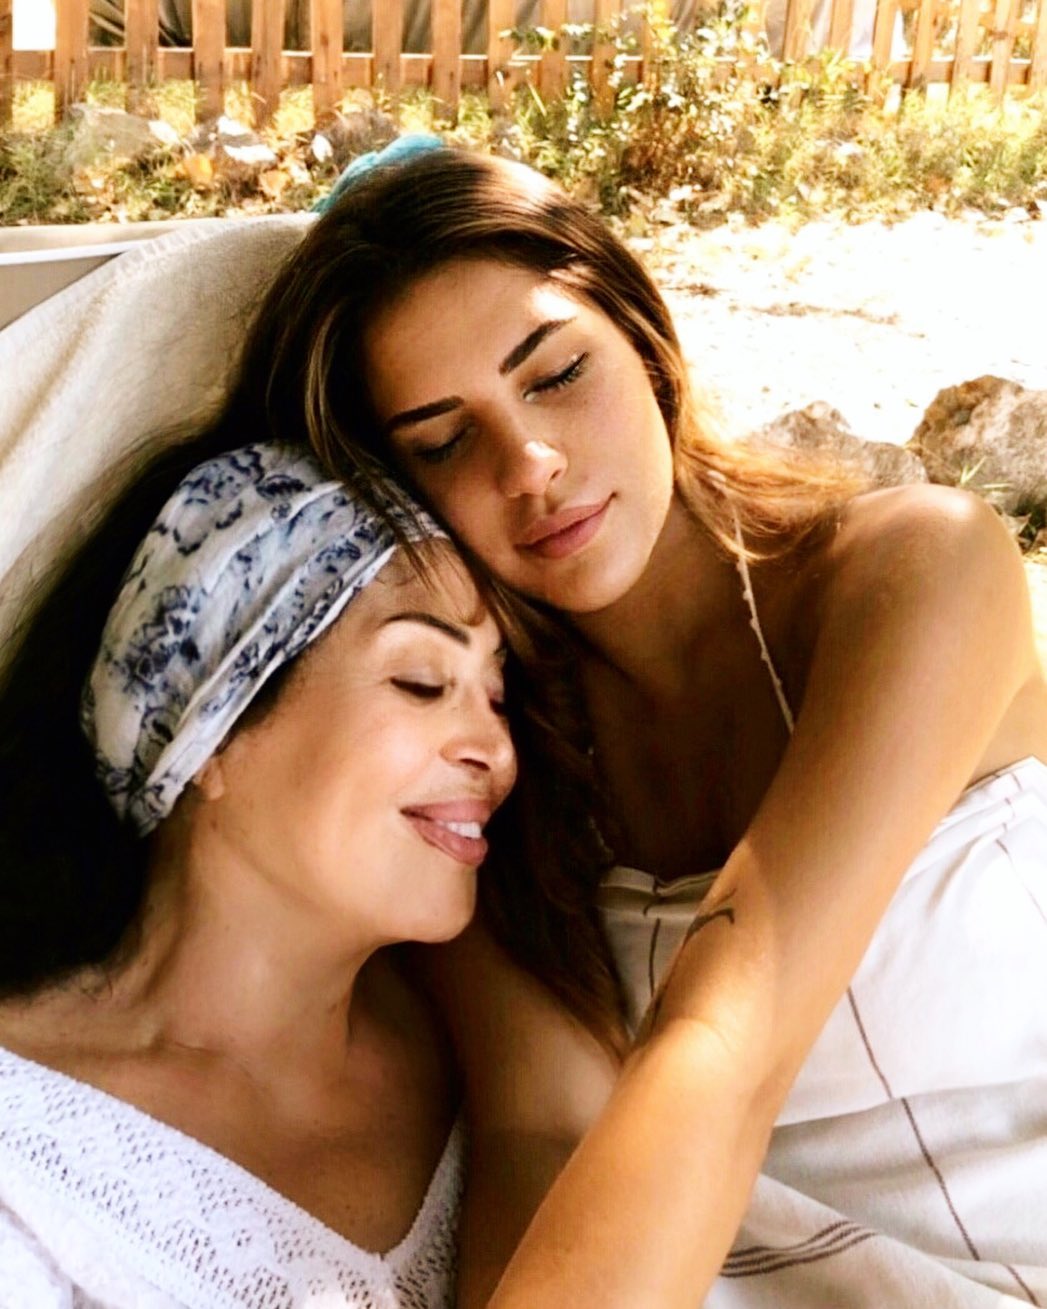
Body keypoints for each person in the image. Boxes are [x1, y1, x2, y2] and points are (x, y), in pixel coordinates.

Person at [218, 144, 1047, 1308]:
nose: (532, 464)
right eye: (444, 442)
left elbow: (731, 1037)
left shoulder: (913, 573)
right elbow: (542, 1134)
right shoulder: (485, 762)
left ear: (644, 341)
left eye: (557, 373)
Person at [0, 434, 625, 1306]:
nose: (496, 750)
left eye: (495, 695)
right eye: (420, 680)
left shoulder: (489, 1048)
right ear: (207, 732)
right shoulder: (26, 1172)